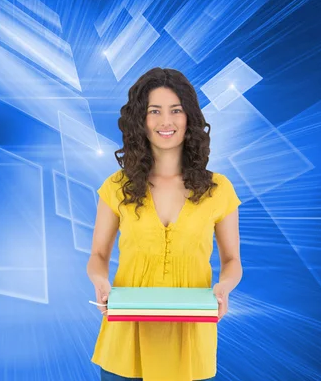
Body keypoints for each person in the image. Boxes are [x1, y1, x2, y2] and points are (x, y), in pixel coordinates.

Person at [87, 68, 243, 381]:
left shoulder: (219, 189)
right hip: (125, 339)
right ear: (139, 121)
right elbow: (98, 255)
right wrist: (101, 282)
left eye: (176, 110)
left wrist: (224, 288)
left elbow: (232, 260)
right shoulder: (116, 186)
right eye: (154, 111)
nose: (166, 122)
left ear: (190, 118)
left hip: (191, 340)